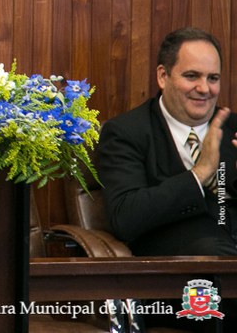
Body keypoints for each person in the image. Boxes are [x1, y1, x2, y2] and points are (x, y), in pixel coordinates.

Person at [98, 27, 237, 331]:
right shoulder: (126, 133)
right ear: (163, 76)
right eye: (192, 76)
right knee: (215, 259)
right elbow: (125, 215)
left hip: (229, 257)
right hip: (173, 278)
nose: (205, 88)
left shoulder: (233, 129)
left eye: (213, 78)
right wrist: (199, 174)